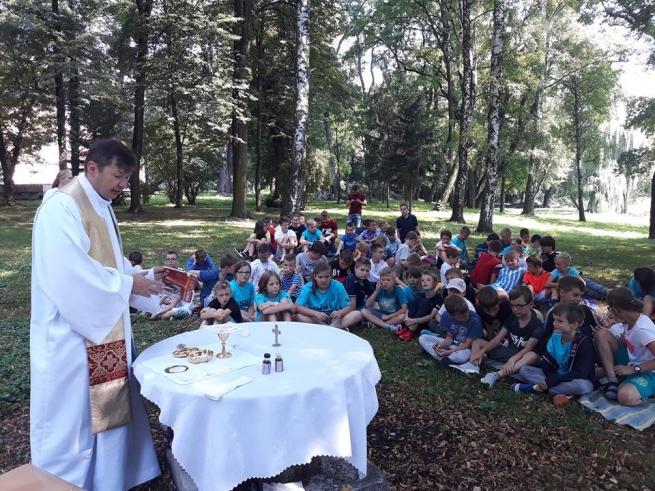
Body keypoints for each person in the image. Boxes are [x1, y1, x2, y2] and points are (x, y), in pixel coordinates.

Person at [30, 139, 162, 489]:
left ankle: (109, 479)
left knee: (108, 412)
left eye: (127, 178)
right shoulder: (62, 206)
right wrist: (126, 284)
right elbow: (69, 273)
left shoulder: (100, 203)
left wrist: (145, 281)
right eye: (118, 175)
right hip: (72, 336)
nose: (123, 185)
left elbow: (108, 266)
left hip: (103, 328)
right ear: (92, 168)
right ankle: (64, 483)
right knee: (74, 421)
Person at [514, 303, 599, 406]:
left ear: (574, 325)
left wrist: (552, 381)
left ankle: (534, 388)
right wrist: (550, 379)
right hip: (556, 375)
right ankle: (562, 392)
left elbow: (580, 373)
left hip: (577, 379)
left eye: (560, 321)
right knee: (524, 370)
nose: (554, 323)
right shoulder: (555, 337)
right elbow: (547, 364)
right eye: (554, 320)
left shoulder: (584, 343)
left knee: (581, 386)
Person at [472, 286, 543, 388]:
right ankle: (473, 364)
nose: (515, 309)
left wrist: (512, 360)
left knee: (531, 355)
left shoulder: (536, 325)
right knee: (478, 341)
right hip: (513, 352)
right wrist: (481, 352)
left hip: (529, 358)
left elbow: (529, 348)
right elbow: (498, 338)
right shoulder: (512, 318)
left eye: (519, 306)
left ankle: (496, 375)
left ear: (531, 304)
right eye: (512, 305)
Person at [594, 287, 655, 405]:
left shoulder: (643, 329)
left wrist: (633, 369)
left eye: (609, 309)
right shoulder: (629, 321)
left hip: (649, 371)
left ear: (615, 310)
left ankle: (640, 386)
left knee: (625, 396)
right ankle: (612, 380)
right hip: (633, 361)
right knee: (602, 333)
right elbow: (626, 342)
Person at [418, 295, 484, 368]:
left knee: (461, 357)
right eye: (462, 317)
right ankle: (444, 358)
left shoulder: (475, 319)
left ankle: (443, 357)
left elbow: (467, 344)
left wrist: (448, 352)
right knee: (423, 338)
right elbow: (450, 337)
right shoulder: (446, 316)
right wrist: (441, 345)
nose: (467, 317)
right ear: (451, 315)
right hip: (452, 344)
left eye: (467, 313)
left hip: (465, 348)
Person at [295, 263, 358, 329]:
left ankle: (327, 328)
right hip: (316, 319)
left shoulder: (338, 286)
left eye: (326, 277)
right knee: (299, 316)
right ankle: (334, 328)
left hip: (334, 317)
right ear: (315, 277)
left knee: (357, 314)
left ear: (330, 276)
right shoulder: (308, 287)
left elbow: (348, 306)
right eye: (320, 277)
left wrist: (340, 312)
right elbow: (297, 306)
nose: (323, 280)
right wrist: (316, 313)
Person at [150, 251, 194, 321]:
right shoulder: (162, 275)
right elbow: (160, 295)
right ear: (165, 261)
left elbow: (175, 300)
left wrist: (157, 312)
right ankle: (162, 313)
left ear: (177, 261)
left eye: (173, 259)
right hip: (166, 304)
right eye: (168, 259)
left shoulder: (182, 276)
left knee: (171, 312)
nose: (170, 261)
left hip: (181, 305)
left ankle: (165, 314)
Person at [361, 267, 408, 331]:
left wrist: (389, 316)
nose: (385, 282)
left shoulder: (398, 290)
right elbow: (368, 304)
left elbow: (404, 308)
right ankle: (387, 325)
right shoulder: (380, 289)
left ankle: (378, 324)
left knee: (402, 316)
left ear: (394, 281)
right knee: (364, 311)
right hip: (382, 314)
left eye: (388, 280)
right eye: (383, 280)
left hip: (394, 315)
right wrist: (376, 291)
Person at [400, 271, 442, 341]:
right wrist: (407, 318)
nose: (425, 282)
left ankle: (411, 331)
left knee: (424, 301)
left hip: (425, 322)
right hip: (411, 321)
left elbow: (431, 316)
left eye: (428, 280)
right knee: (418, 298)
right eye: (423, 280)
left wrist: (414, 321)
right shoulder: (420, 295)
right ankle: (406, 328)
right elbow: (409, 308)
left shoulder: (438, 298)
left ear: (435, 284)